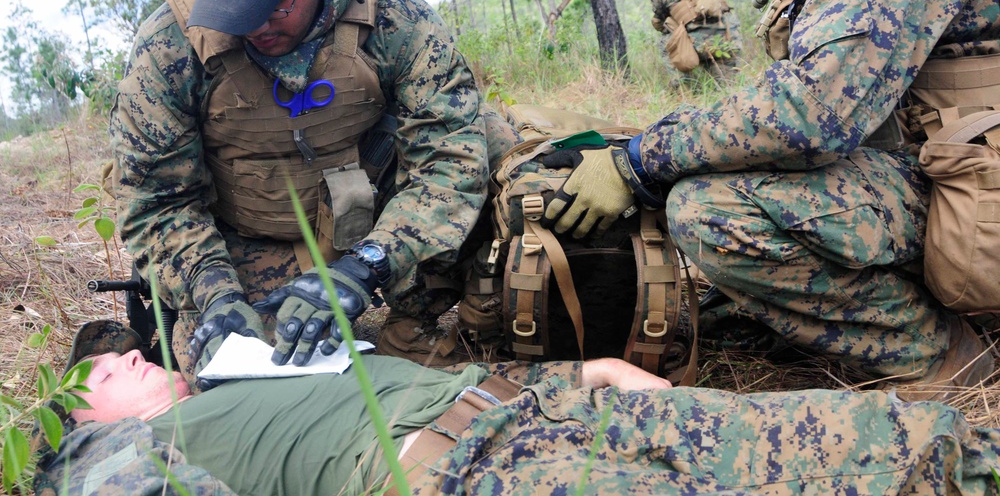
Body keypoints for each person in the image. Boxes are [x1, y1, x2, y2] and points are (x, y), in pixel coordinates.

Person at [541, 0, 1000, 401]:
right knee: (711, 168)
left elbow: (813, 112)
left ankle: (946, 364)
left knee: (710, 211)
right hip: (933, 164)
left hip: (970, 180)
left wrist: (642, 159)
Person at [108, 0, 518, 384]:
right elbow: (158, 201)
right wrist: (214, 293)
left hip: (378, 221)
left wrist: (368, 265)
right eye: (235, 9)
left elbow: (450, 160)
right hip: (249, 238)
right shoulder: (170, 47)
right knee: (240, 386)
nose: (255, 26)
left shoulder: (397, 21)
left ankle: (415, 325)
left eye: (273, 4)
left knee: (499, 144)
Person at [35, 319, 1000, 495]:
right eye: (101, 374)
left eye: (120, 348)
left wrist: (586, 373)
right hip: (468, 476)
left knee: (877, 436)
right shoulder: (122, 457)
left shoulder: (257, 370)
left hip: (541, 415)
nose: (123, 355)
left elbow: (425, 380)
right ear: (85, 421)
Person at [643, 0, 742, 83]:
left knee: (666, 41)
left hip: (700, 42)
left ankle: (685, 86)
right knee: (727, 85)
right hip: (729, 34)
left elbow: (660, 21)